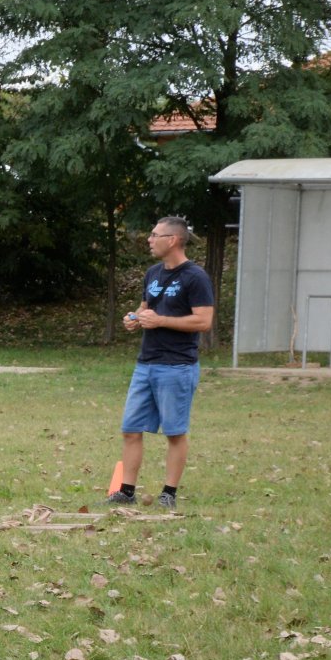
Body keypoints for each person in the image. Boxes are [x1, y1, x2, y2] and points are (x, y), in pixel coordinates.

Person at [110, 216, 213, 511]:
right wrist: (134, 318)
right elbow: (146, 308)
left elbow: (204, 321)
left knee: (174, 432)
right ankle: (125, 491)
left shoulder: (195, 277)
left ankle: (169, 493)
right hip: (146, 364)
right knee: (131, 429)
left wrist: (161, 321)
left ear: (174, 240)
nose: (149, 239)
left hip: (177, 366)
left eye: (156, 235)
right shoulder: (153, 273)